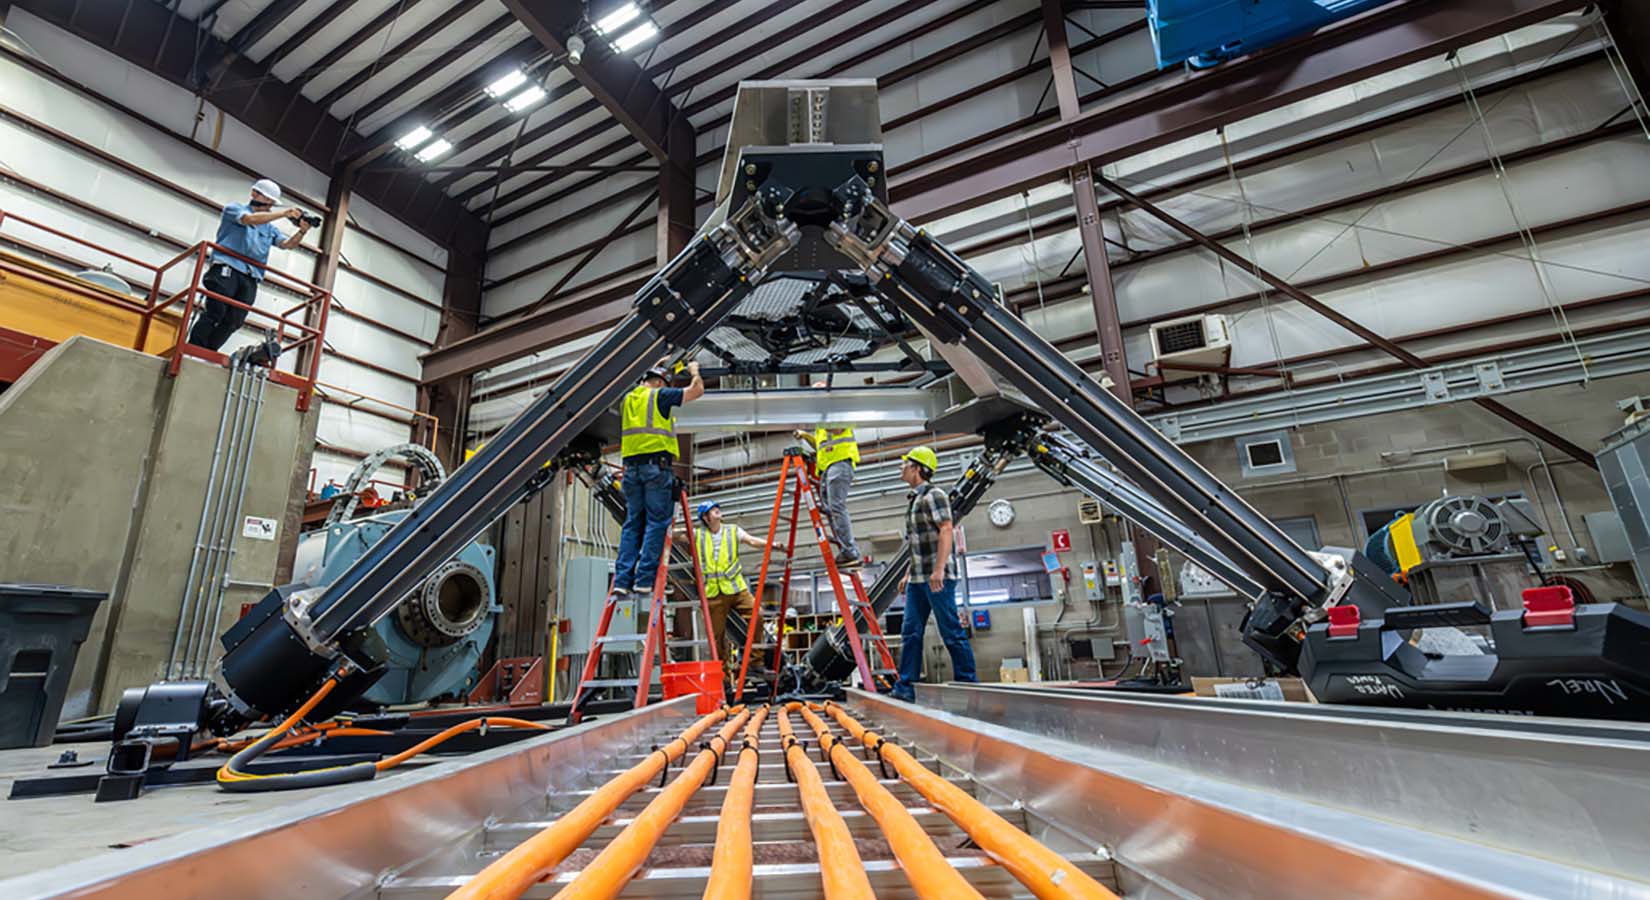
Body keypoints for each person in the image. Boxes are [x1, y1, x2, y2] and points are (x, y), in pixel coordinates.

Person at [891, 445, 977, 701]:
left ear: (917, 468)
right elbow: (917, 544)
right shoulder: (914, 499)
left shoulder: (934, 494)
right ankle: (906, 687)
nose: (901, 468)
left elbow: (946, 529)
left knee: (950, 630)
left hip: (937, 577)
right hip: (918, 578)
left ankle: (968, 684)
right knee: (911, 632)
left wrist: (939, 569)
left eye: (905, 464)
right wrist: (908, 573)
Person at [612, 359, 703, 599]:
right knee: (656, 523)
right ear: (660, 382)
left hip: (630, 471)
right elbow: (697, 391)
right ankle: (644, 581)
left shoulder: (628, 399)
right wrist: (694, 370)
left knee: (632, 524)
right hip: (656, 469)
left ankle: (622, 582)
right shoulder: (659, 396)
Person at [189, 179, 311, 352]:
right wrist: (285, 213)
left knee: (235, 320)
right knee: (216, 310)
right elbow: (248, 219)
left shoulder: (269, 228)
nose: (269, 204)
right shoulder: (234, 209)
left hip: (251, 276)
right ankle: (194, 348)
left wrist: (302, 231)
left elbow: (287, 244)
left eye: (271, 201)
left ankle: (208, 351)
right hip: (228, 266)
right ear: (254, 194)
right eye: (267, 199)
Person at [689, 501, 768, 669]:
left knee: (757, 616)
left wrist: (772, 545)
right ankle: (722, 676)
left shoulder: (733, 530)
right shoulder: (697, 535)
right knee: (716, 638)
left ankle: (755, 661)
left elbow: (752, 541)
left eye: (717, 508)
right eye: (712, 510)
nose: (717, 510)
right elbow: (673, 534)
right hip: (713, 593)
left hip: (737, 589)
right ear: (705, 517)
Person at [794, 381, 862, 568]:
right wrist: (806, 436)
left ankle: (850, 551)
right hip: (827, 468)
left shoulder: (835, 409)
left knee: (836, 507)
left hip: (840, 463)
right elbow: (821, 446)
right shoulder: (822, 417)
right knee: (830, 508)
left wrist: (819, 414)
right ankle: (845, 549)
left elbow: (837, 428)